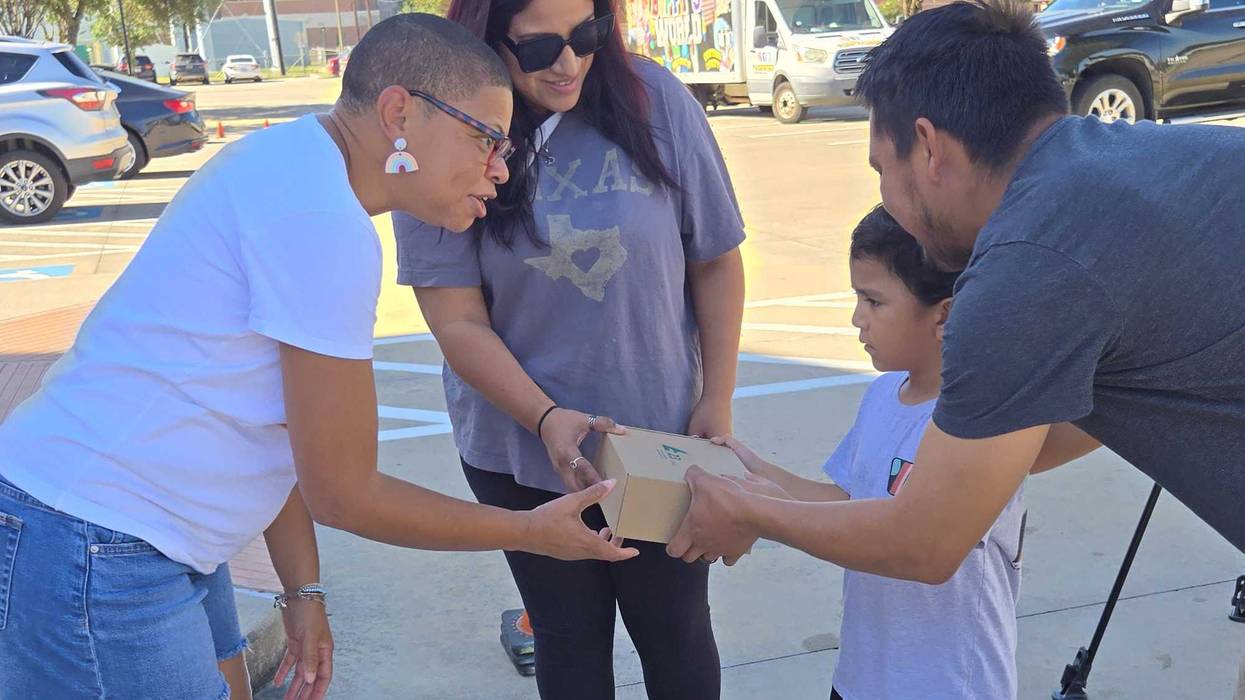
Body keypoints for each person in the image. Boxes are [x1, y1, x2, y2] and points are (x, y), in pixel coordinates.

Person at [0, 14, 636, 700]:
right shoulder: (322, 222)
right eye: (483, 138)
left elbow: (280, 433)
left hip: (127, 531)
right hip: (97, 538)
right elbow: (345, 492)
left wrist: (301, 588)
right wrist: (528, 532)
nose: (498, 168)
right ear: (399, 112)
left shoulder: (292, 163)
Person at [668, 0, 1244, 691]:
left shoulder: (1025, 266)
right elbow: (1040, 439)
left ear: (928, 147)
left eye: (881, 167)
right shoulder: (1126, 167)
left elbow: (926, 540)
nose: (887, 198)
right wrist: (760, 484)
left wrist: (747, 512)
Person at [392, 1, 746, 697]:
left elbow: (714, 259)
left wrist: (718, 398)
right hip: (519, 450)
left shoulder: (654, 101)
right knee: (568, 637)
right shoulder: (444, 134)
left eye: (587, 37)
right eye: (539, 47)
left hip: (656, 443)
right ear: (489, 41)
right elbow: (456, 319)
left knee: (675, 629)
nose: (568, 63)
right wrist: (548, 418)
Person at [719, 207, 1029, 699]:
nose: (856, 317)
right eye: (856, 297)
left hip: (946, 686)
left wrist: (758, 513)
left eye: (874, 301)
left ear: (943, 314)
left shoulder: (981, 423)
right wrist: (757, 472)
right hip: (863, 677)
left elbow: (910, 540)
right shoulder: (883, 395)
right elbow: (851, 503)